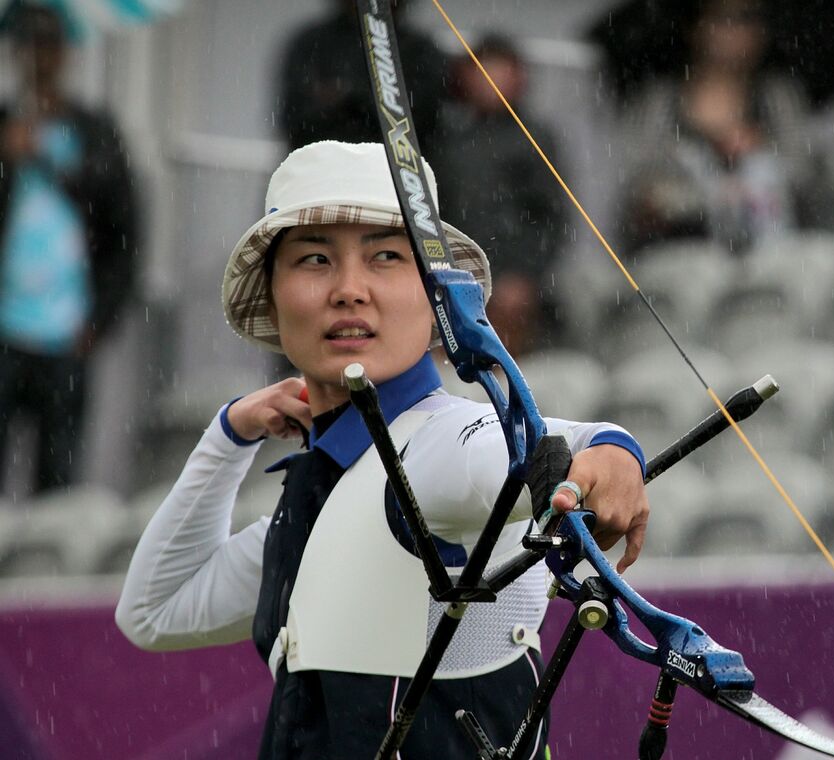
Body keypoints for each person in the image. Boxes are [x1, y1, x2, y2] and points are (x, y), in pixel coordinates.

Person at [115, 140, 650, 758]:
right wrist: (230, 432)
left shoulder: (437, 448)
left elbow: (527, 451)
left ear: (437, 297)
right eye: (315, 260)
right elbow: (154, 611)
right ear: (273, 294)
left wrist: (610, 454)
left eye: (387, 257)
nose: (349, 289)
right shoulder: (316, 497)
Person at [0, 4, 138, 494]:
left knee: (57, 481)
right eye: (29, 45)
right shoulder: (4, 125)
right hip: (6, 331)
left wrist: (100, 318)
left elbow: (124, 226)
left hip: (67, 330)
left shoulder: (95, 132)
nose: (40, 58)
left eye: (50, 46)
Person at [616, 0, 810, 255]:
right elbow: (635, 185)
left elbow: (806, 174)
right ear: (695, 27)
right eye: (722, 17)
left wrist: (761, 154)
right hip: (679, 252)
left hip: (768, 251)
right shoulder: (659, 102)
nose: (736, 30)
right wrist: (701, 190)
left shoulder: (778, 97)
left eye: (749, 18)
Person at [432, 35, 568, 355]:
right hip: (455, 271)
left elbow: (550, 216)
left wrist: (525, 274)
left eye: (498, 69)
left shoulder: (534, 137)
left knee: (506, 346)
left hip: (512, 274)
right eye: (480, 70)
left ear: (519, 76)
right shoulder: (448, 138)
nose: (488, 80)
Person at [277, 0, 447, 152]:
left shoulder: (420, 50)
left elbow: (427, 121)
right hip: (323, 166)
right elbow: (294, 116)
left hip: (391, 171)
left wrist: (351, 97)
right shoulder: (311, 43)